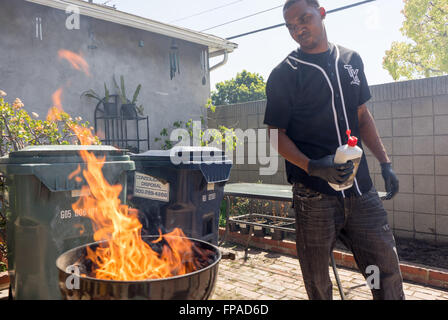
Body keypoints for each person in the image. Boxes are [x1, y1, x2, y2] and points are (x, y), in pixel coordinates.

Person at [264, 0, 405, 300]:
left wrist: (385, 162)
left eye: (304, 19)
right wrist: (313, 166)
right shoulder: (284, 74)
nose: (299, 28)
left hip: (361, 190)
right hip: (313, 196)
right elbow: (276, 135)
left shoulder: (352, 59)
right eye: (291, 26)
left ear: (322, 13)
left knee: (383, 268)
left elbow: (362, 116)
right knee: (317, 280)